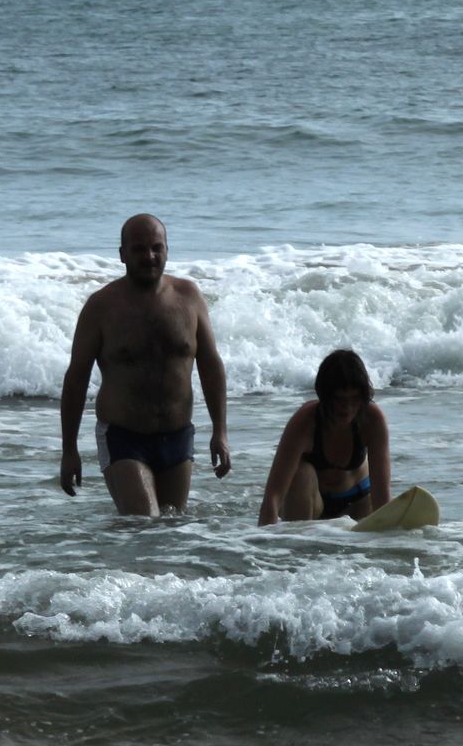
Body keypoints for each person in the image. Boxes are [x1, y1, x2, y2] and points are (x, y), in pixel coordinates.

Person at [60, 213, 231, 515]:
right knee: (143, 522)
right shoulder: (101, 307)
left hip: (178, 436)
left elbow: (210, 366)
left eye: (156, 247)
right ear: (122, 254)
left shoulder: (189, 297)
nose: (149, 256)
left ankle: (110, 557)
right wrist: (69, 450)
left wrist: (220, 431)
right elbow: (76, 379)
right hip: (124, 437)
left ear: (167, 250)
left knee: (169, 530)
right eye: (138, 249)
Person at [258, 349, 391, 526]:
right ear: (324, 395)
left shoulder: (372, 419)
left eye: (355, 399)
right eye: (340, 400)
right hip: (311, 501)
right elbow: (273, 497)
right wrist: (262, 546)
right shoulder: (304, 422)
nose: (348, 408)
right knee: (301, 473)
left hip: (358, 500)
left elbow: (382, 496)